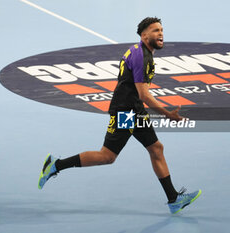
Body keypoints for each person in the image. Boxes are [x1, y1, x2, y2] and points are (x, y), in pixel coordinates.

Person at [38, 17, 201, 214]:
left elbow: (138, 92)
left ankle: (173, 199)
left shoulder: (138, 50)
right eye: (155, 30)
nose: (160, 34)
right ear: (144, 35)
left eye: (162, 30)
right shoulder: (143, 57)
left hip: (134, 108)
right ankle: (55, 165)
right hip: (126, 111)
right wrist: (167, 114)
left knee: (156, 148)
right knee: (107, 156)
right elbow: (144, 94)